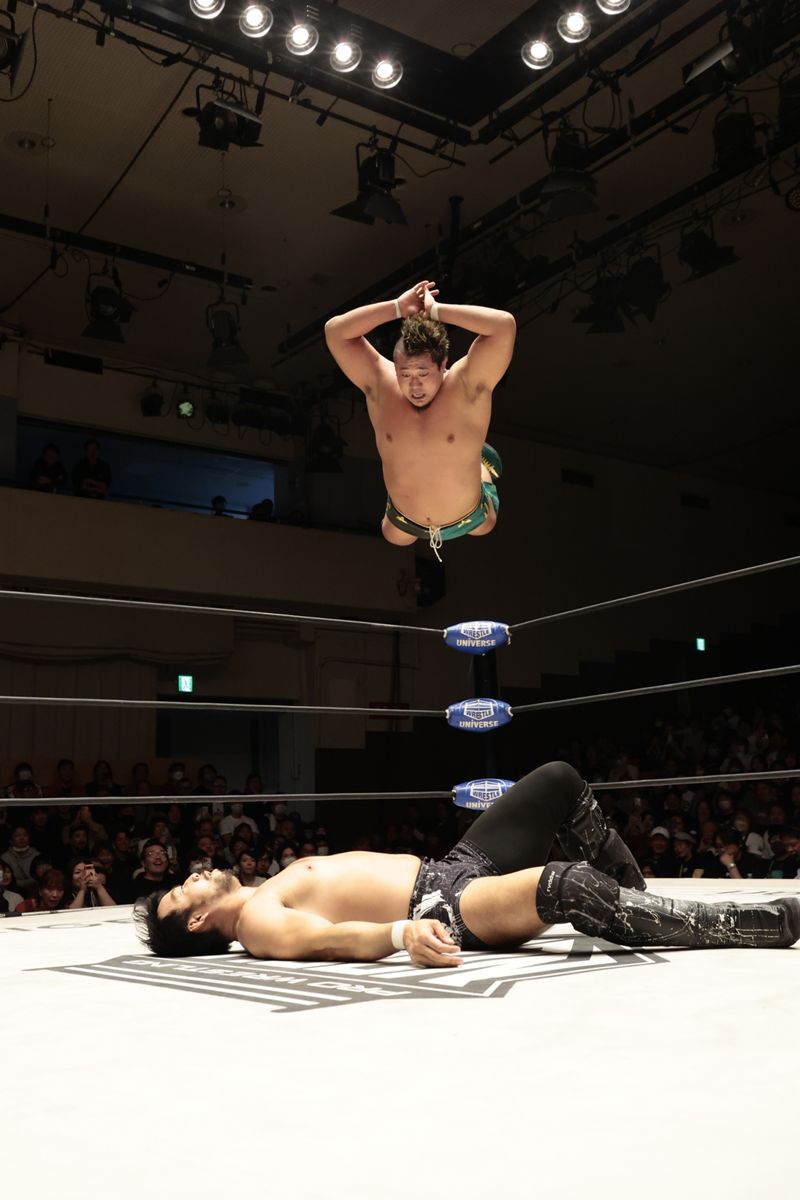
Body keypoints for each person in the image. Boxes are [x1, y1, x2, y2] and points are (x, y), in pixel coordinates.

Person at [135, 762, 800, 964]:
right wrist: (401, 934)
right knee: (567, 886)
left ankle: (636, 905)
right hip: (443, 908)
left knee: (558, 783)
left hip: (449, 868)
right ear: (195, 923)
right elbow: (327, 939)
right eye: (182, 891)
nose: (192, 875)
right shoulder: (257, 922)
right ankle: (750, 923)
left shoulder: (264, 886)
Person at [324, 279, 516, 557]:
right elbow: (335, 332)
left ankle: (479, 464)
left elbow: (504, 325)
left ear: (442, 364)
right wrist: (396, 307)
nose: (414, 386)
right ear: (396, 368)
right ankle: (463, 451)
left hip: (469, 515)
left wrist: (437, 311)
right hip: (405, 518)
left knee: (484, 527)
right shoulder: (381, 383)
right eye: (405, 374)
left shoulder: (467, 384)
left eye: (423, 374)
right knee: (394, 537)